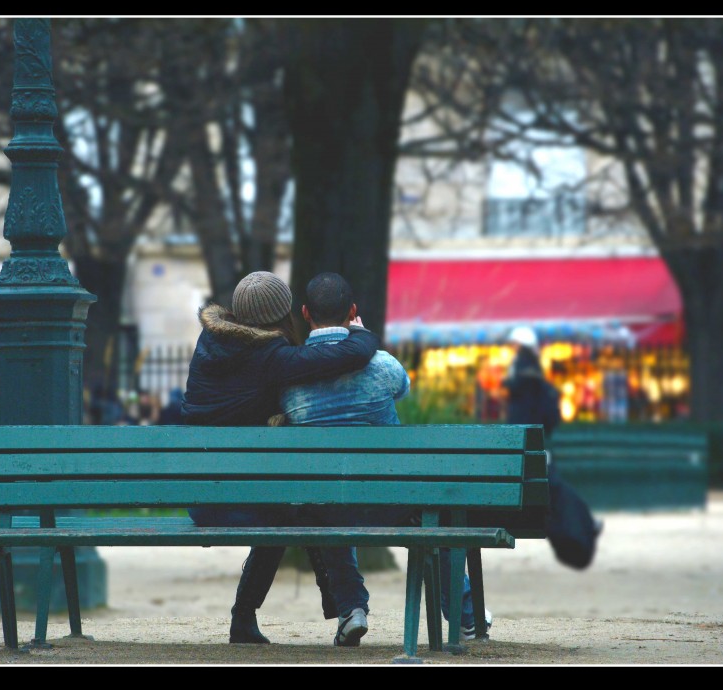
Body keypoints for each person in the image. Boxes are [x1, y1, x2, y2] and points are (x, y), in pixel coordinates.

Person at [279, 272, 490, 646]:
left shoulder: (291, 379)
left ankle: (351, 610)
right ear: (354, 311)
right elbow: (403, 389)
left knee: (326, 502)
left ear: (305, 313)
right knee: (433, 515)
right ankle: (466, 616)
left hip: (328, 505)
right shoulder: (383, 366)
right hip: (391, 500)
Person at [180, 270, 381, 645]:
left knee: (287, 507)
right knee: (300, 510)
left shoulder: (209, 344)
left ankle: (259, 617)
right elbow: (352, 354)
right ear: (286, 311)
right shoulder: (272, 357)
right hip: (230, 503)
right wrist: (362, 330)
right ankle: (340, 605)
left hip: (201, 497)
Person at [502, 326, 602, 570]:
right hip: (532, 459)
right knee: (552, 484)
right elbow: (550, 421)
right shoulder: (537, 385)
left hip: (510, 470)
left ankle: (586, 522)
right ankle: (586, 522)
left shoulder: (517, 387)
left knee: (550, 483)